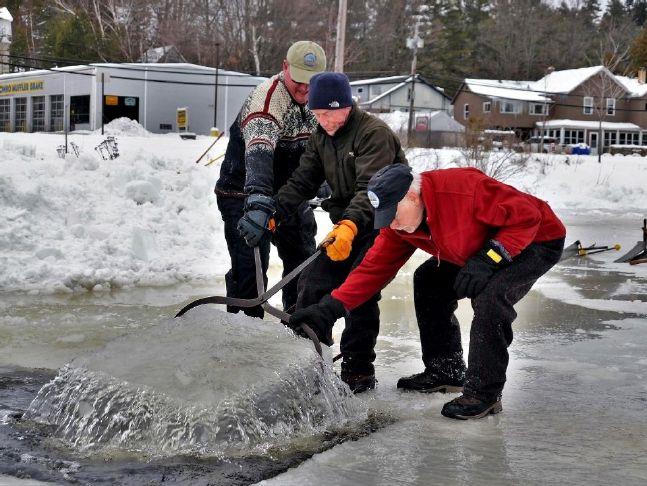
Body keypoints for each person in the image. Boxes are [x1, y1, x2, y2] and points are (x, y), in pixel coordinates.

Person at [289, 164, 566, 419]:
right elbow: (373, 269)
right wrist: (331, 308)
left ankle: (484, 393)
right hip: (474, 251)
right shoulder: (399, 226)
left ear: (411, 196)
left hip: (535, 241)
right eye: (385, 218)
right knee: (429, 281)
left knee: (491, 298)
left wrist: (490, 258)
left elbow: (527, 218)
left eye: (394, 215)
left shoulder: (463, 189)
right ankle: (446, 370)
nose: (392, 225)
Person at [246, 71, 408, 393]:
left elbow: (370, 192)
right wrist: (274, 211)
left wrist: (349, 225)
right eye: (318, 115)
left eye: (330, 113)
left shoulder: (373, 134)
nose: (325, 121)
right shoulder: (322, 136)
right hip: (346, 224)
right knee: (313, 284)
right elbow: (304, 180)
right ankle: (312, 363)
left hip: (380, 224)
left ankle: (358, 371)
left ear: (346, 106)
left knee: (359, 294)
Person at [215, 41, 326, 317]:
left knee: (302, 259)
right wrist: (258, 203)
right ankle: (243, 330)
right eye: (299, 80)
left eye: (312, 82)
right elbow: (260, 153)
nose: (305, 88)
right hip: (243, 192)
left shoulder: (320, 100)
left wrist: (326, 179)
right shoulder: (267, 98)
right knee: (251, 269)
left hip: (288, 194)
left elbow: (324, 146)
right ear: (285, 67)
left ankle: (299, 323)